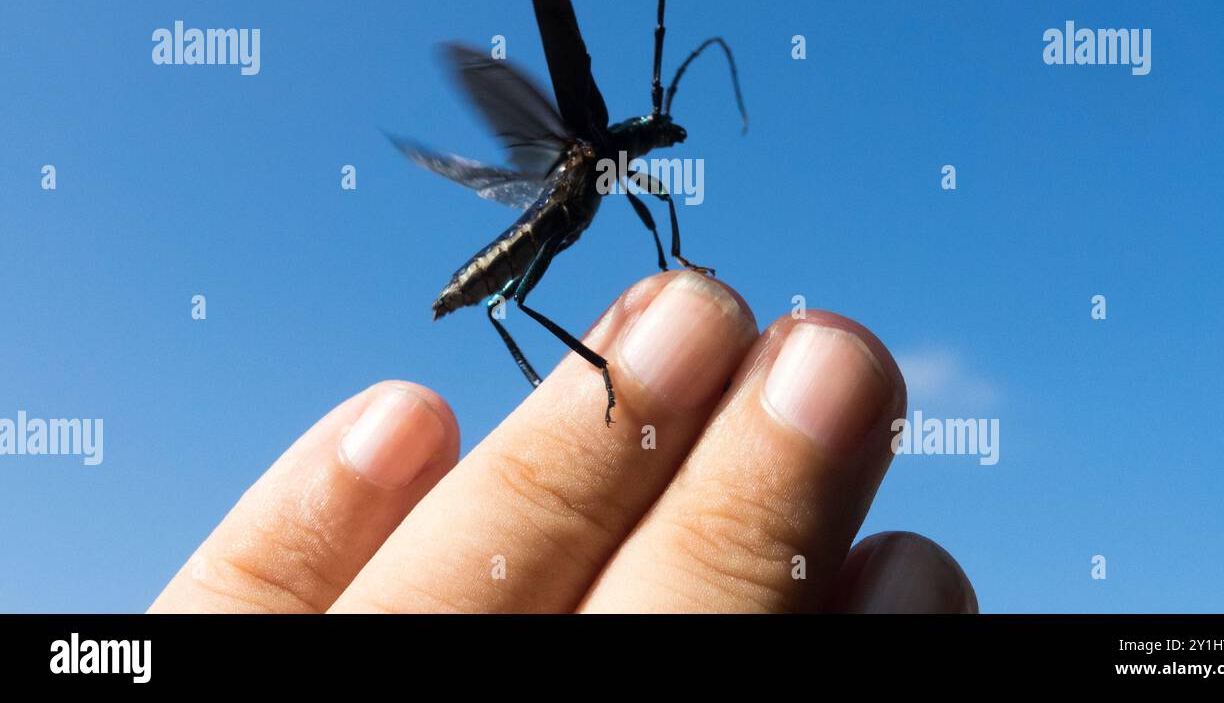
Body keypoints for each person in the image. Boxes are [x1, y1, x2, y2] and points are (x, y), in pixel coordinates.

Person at [151, 271, 977, 613]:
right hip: (500, 271)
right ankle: (593, 371)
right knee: (518, 295)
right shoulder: (591, 161)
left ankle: (596, 370)